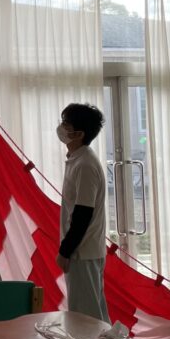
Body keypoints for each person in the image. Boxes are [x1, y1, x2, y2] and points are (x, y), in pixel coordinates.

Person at [54, 102, 110, 322]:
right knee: (92, 313)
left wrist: (65, 251)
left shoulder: (85, 165)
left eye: (66, 124)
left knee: (86, 319)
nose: (61, 128)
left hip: (82, 252)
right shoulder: (77, 159)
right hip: (84, 252)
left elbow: (82, 214)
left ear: (79, 133)